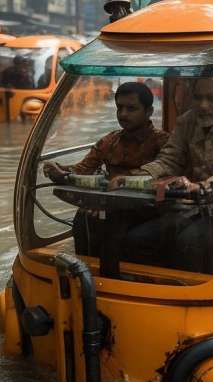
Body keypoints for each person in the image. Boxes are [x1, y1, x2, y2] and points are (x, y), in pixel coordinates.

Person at [43, 82, 169, 273]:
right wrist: (60, 171)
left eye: (131, 108)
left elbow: (164, 177)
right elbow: (83, 168)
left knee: (111, 221)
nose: (123, 114)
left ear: (149, 111)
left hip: (145, 208)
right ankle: (85, 275)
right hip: (110, 204)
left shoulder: (163, 142)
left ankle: (112, 279)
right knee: (82, 218)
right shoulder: (110, 141)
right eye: (120, 108)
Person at [125, 76, 213, 274]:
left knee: (189, 242)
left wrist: (198, 187)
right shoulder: (187, 121)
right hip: (190, 207)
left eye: (212, 99)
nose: (203, 105)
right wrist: (136, 178)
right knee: (136, 239)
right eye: (198, 97)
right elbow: (169, 160)